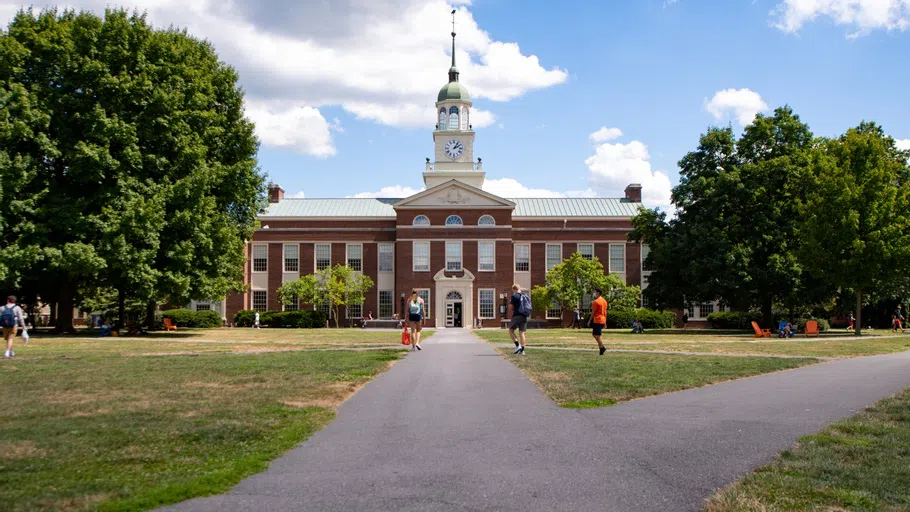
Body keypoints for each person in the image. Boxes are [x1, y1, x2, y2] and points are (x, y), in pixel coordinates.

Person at [509, 284, 529, 354]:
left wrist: (514, 309)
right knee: (522, 332)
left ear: (514, 289)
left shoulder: (514, 296)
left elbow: (511, 307)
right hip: (524, 316)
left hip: (517, 315)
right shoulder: (525, 296)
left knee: (511, 330)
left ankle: (518, 346)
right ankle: (522, 350)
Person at [589, 288, 608, 355]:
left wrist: (589, 320)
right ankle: (601, 348)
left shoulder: (596, 301)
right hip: (602, 319)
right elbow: (605, 312)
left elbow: (593, 312)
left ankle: (602, 347)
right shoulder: (604, 301)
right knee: (595, 334)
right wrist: (605, 322)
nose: (594, 293)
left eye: (595, 292)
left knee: (597, 335)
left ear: (598, 293)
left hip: (597, 319)